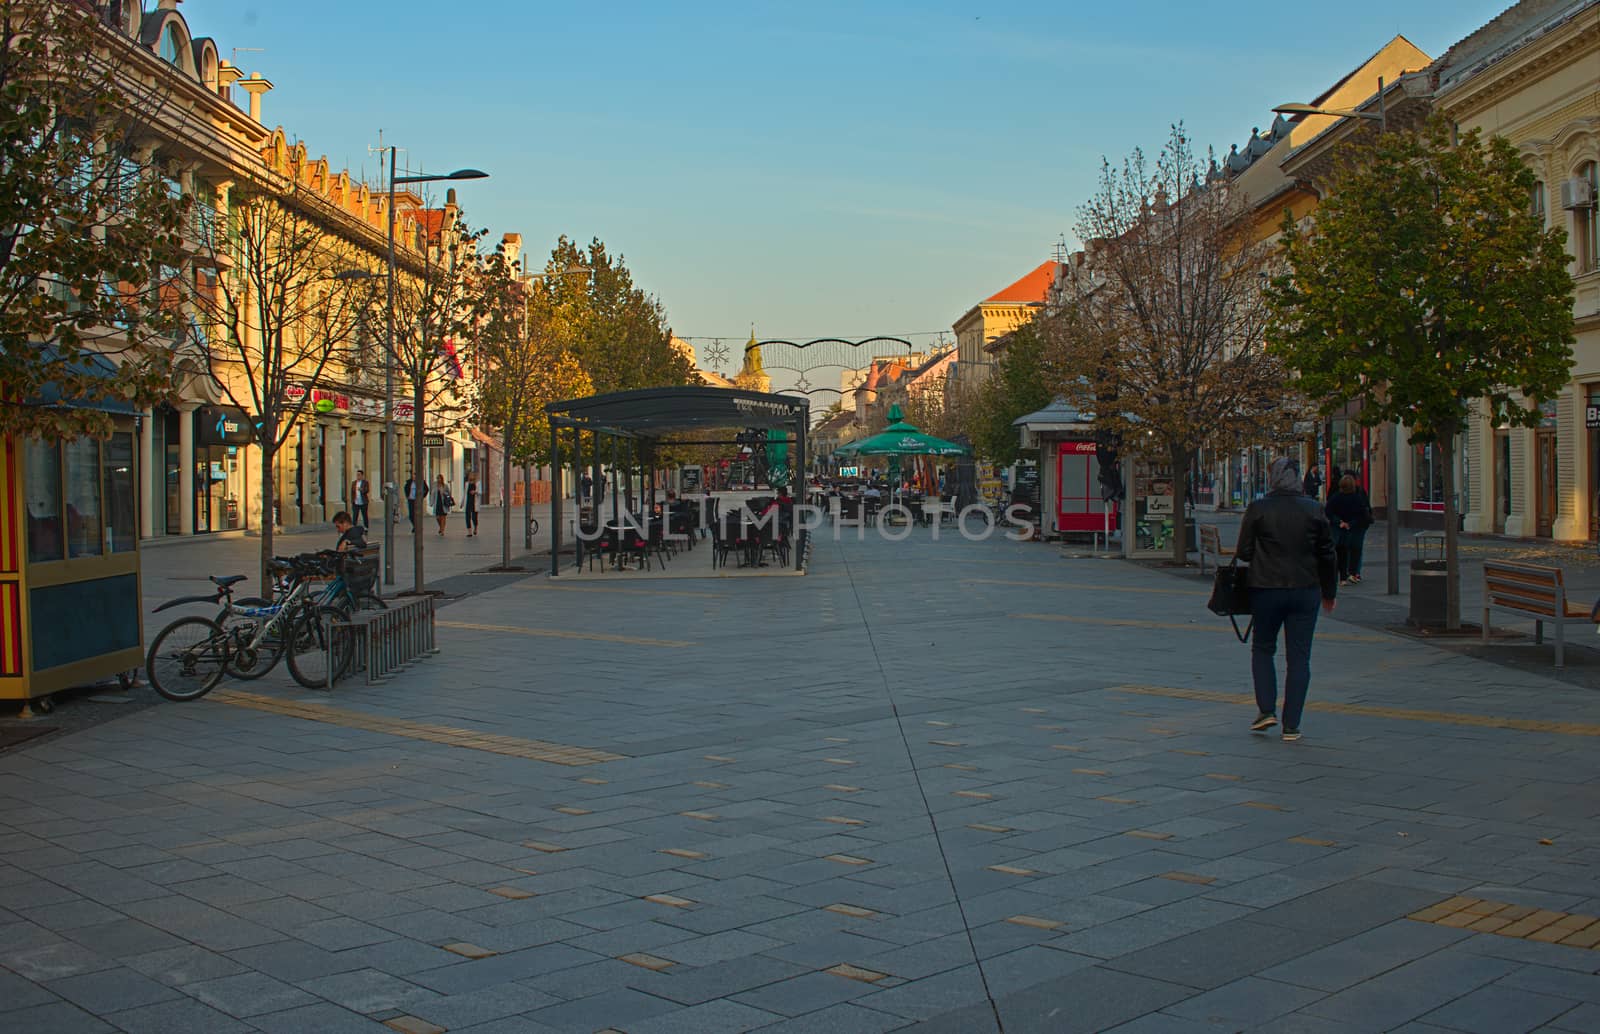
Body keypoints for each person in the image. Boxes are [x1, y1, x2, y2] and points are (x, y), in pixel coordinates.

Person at [1236, 456, 1337, 742]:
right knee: (1299, 657)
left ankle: (1266, 710)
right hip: (1306, 590)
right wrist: (1329, 592)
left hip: (1266, 589)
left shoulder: (1259, 508)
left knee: (1263, 648)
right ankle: (1292, 725)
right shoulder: (1314, 509)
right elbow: (1327, 554)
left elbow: (1244, 552)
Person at [1326, 473, 1374, 585]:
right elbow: (1362, 514)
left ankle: (1342, 576)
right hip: (1355, 528)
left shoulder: (1335, 498)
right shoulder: (1357, 498)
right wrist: (1351, 523)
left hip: (1340, 528)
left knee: (1341, 551)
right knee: (1356, 550)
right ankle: (1354, 573)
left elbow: (1328, 512)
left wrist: (1339, 522)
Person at [463, 473, 480, 538]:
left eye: (472, 475)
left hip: (474, 502)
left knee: (474, 517)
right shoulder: (467, 484)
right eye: (470, 475)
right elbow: (465, 493)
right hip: (468, 502)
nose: (471, 476)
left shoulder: (477, 483)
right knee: (467, 516)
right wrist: (462, 502)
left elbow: (480, 492)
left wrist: (475, 492)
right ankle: (469, 532)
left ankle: (475, 527)